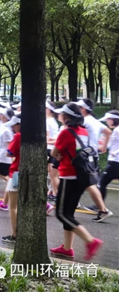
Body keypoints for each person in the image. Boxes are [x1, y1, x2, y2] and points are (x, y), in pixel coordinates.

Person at [50, 103, 103, 260]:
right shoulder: (83, 131)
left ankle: (90, 241)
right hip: (81, 176)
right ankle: (67, 248)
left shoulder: (65, 132)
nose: (59, 116)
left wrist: (58, 155)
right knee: (69, 213)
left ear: (66, 117)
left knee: (61, 214)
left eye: (61, 114)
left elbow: (54, 153)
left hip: (69, 176)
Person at [76, 99, 112, 215]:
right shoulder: (95, 121)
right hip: (93, 155)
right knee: (85, 181)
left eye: (79, 107)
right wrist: (103, 146)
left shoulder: (84, 121)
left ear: (83, 109)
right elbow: (108, 132)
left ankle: (102, 209)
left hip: (84, 155)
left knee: (88, 182)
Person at [94, 110, 119, 222]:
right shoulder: (116, 130)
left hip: (115, 162)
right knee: (102, 183)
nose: (106, 122)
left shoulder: (117, 130)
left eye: (108, 120)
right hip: (114, 161)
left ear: (113, 119)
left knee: (101, 183)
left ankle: (100, 208)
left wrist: (116, 152)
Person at [1, 114, 21, 243]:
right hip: (27, 173)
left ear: (19, 125)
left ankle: (15, 234)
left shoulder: (18, 136)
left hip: (16, 173)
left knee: (13, 206)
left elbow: (10, 152)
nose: (13, 128)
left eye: (14, 125)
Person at [46, 101, 60, 200]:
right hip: (53, 147)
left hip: (48, 148)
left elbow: (46, 136)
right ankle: (52, 191)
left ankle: (56, 192)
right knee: (52, 173)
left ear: (49, 110)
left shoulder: (47, 121)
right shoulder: (54, 121)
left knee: (52, 174)